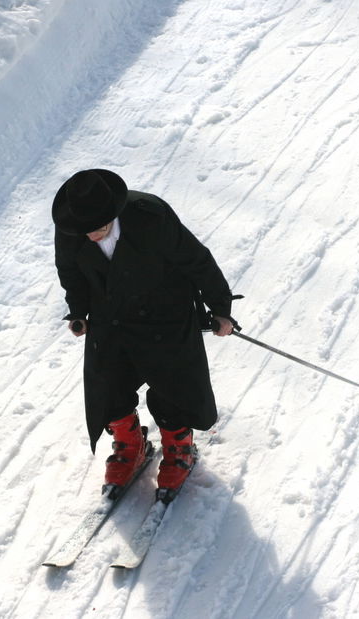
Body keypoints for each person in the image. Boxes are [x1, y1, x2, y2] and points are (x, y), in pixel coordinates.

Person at [51, 168, 237, 499]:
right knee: (107, 381)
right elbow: (71, 273)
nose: (92, 236)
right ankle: (130, 445)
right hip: (111, 315)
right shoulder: (72, 229)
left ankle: (179, 446)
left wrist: (220, 307)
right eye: (85, 232)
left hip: (163, 311)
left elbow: (196, 260)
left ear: (113, 214)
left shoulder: (150, 216)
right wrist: (78, 311)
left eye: (99, 229)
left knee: (171, 382)